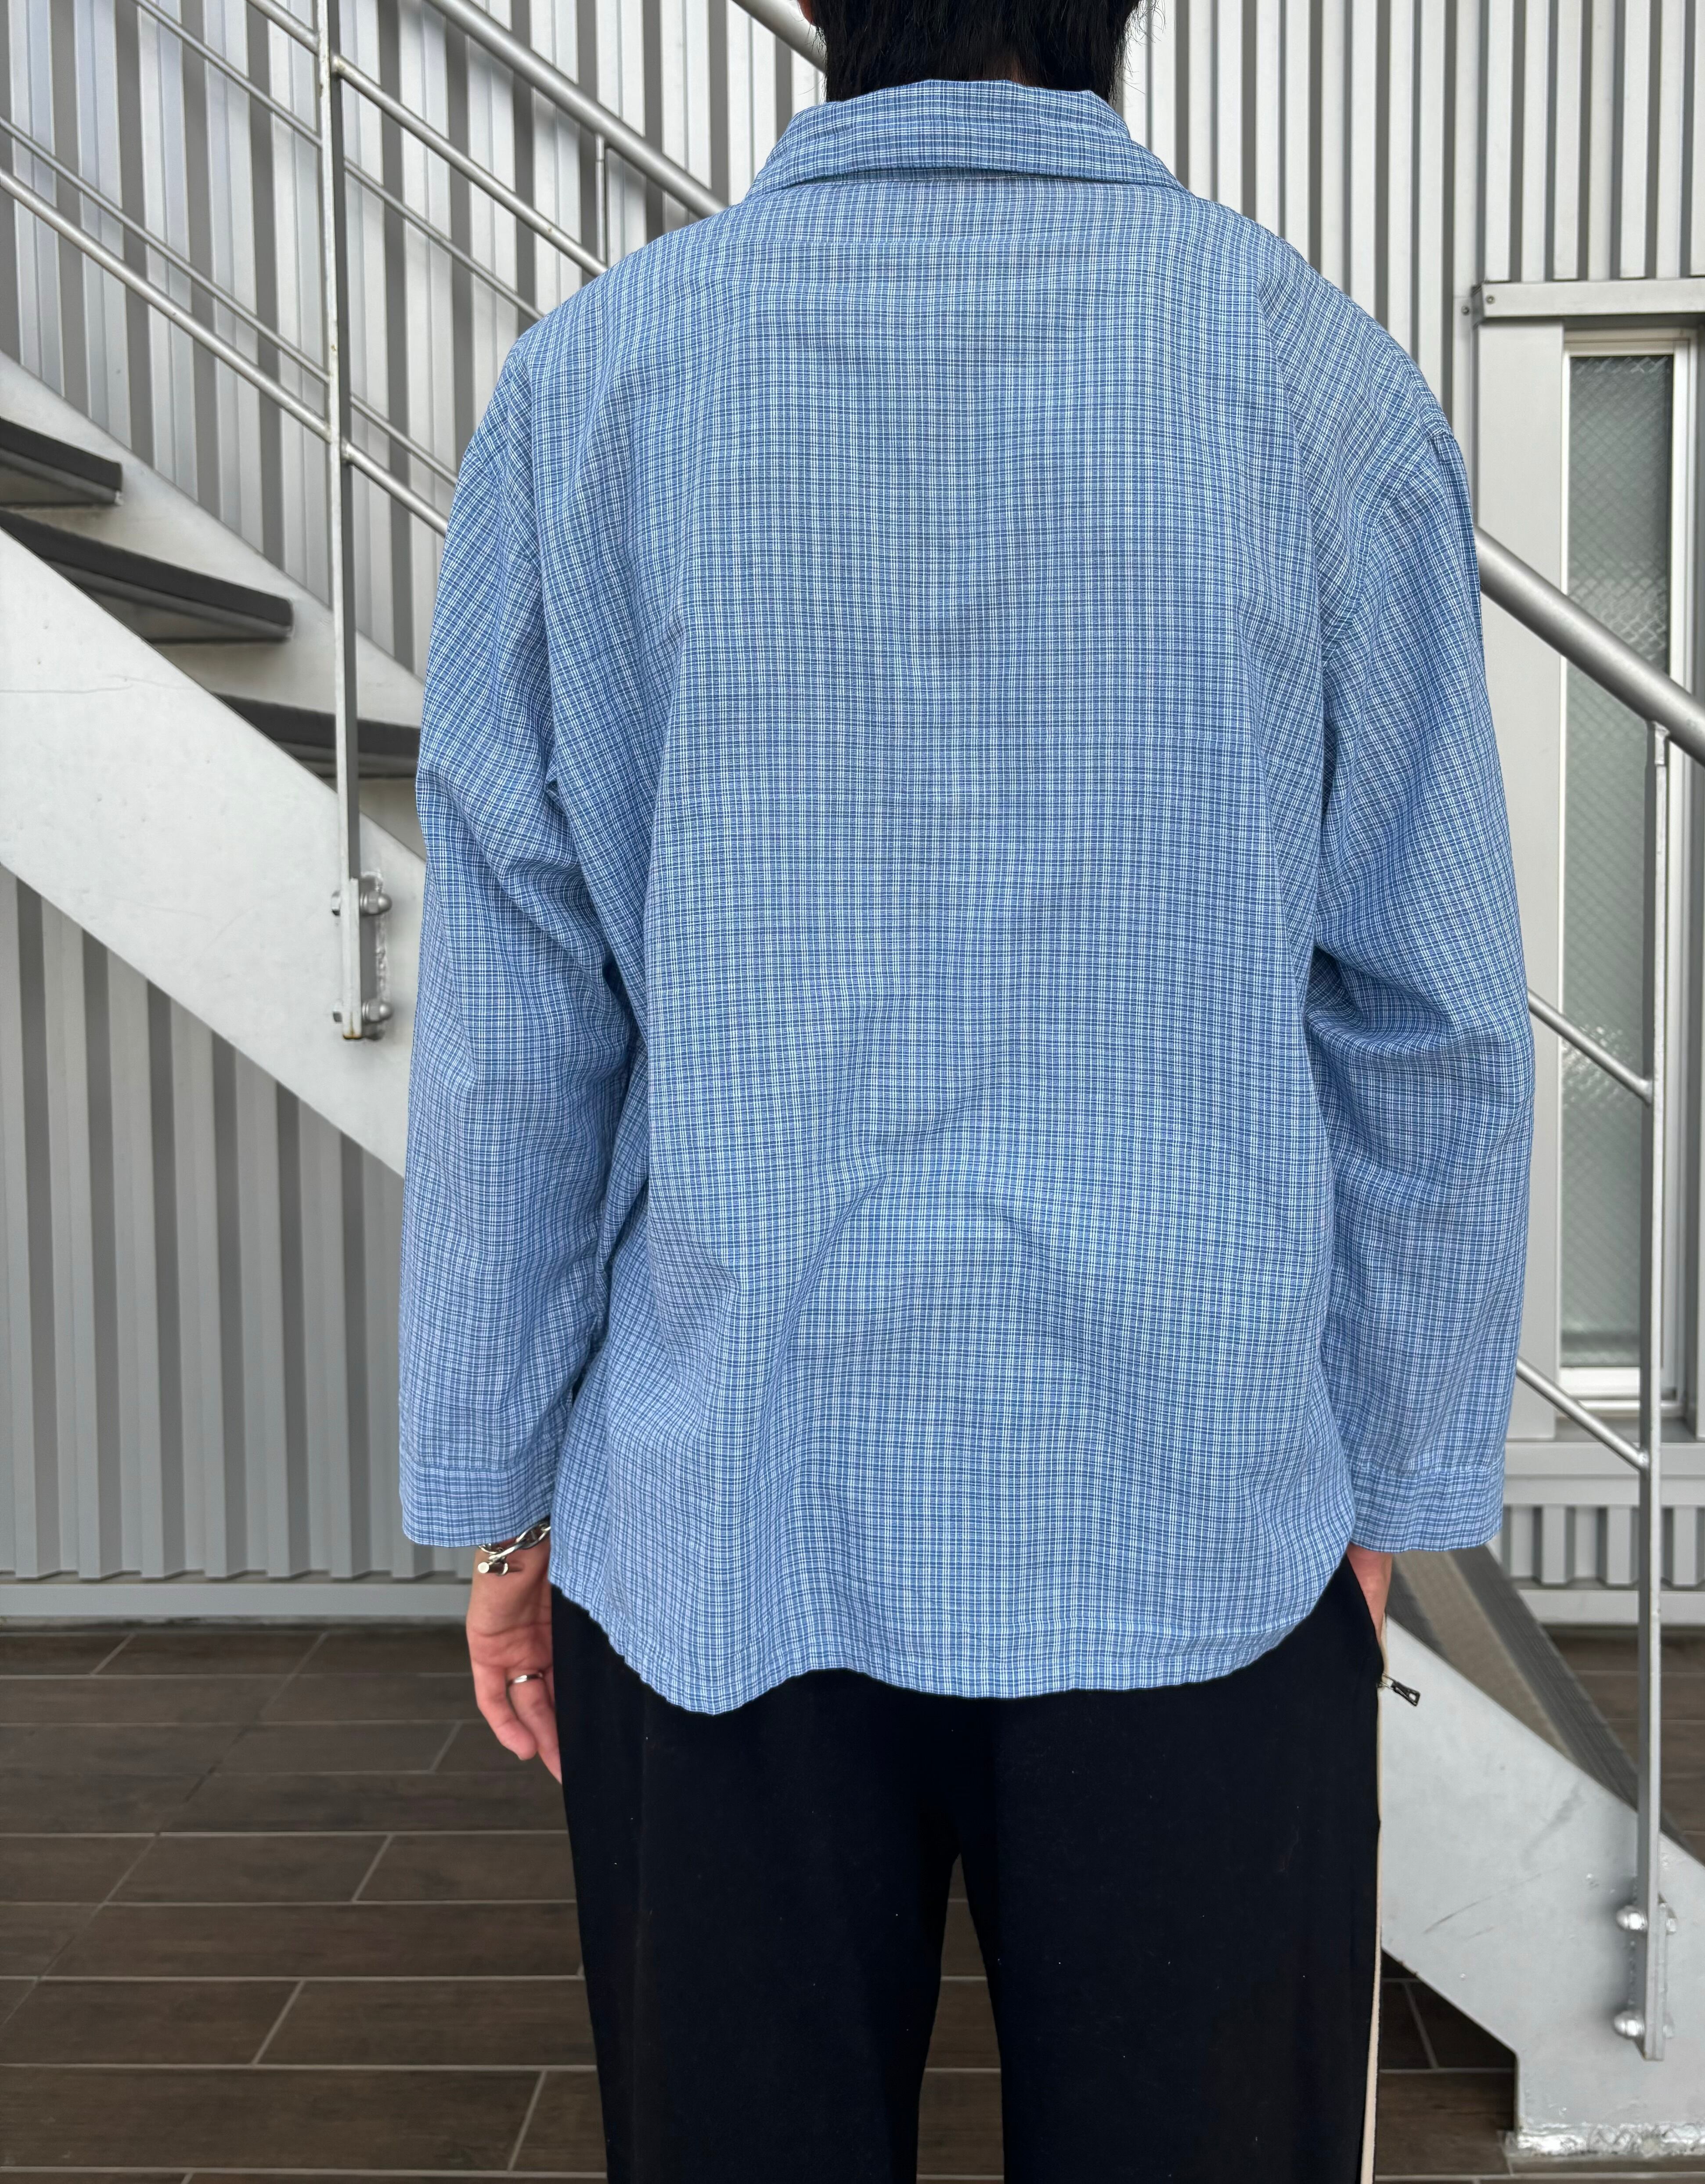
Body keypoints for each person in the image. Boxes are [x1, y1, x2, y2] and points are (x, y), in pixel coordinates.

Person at [398, 0, 1535, 2175]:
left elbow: (522, 1014)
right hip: (1192, 1508)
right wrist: (1387, 1481)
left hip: (723, 1503)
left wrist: (502, 1496)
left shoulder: (596, 384)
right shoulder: (1313, 381)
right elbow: (1435, 1015)